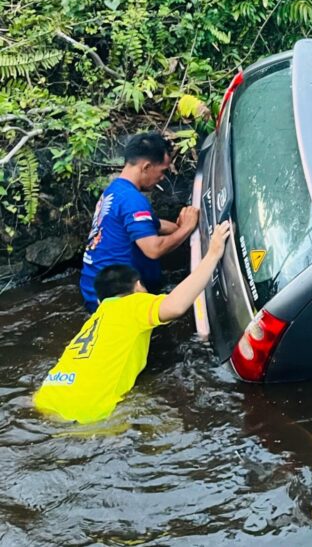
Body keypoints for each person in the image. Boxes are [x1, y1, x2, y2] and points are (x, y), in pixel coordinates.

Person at [35, 222, 231, 424]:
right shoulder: (132, 303)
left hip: (46, 398)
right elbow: (176, 306)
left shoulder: (96, 318)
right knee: (172, 423)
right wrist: (213, 254)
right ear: (139, 286)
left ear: (100, 301)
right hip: (87, 413)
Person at [80, 132, 199, 312]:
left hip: (95, 288)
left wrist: (178, 227)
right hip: (117, 298)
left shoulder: (115, 191)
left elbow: (151, 224)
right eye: (162, 171)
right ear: (146, 167)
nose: (162, 178)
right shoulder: (133, 200)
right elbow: (154, 249)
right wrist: (187, 228)